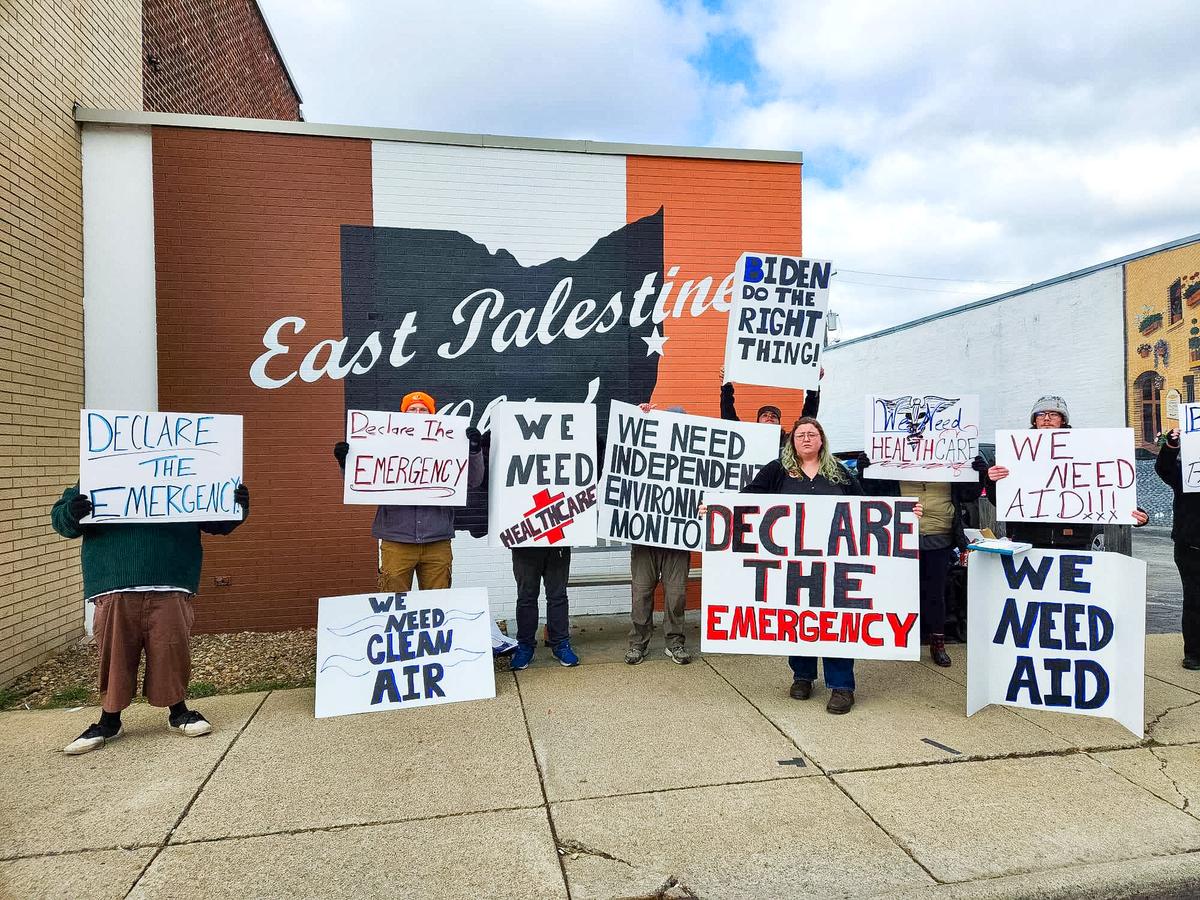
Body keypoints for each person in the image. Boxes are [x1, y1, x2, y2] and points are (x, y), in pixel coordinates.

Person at [51, 481, 250, 755]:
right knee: (115, 654)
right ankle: (109, 720)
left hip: (170, 578)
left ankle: (178, 711)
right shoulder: (99, 470)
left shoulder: (190, 471)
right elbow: (62, 522)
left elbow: (218, 523)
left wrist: (234, 506)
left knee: (171, 650)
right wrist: (72, 512)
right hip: (115, 580)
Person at [742, 417, 921, 713]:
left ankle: (841, 686)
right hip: (796, 563)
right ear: (792, 441)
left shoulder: (838, 471)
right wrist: (715, 507)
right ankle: (803, 676)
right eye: (800, 435)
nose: (806, 439)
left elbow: (866, 507)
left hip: (836, 564)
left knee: (836, 621)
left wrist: (904, 513)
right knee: (798, 618)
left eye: (812, 434)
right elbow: (748, 498)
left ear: (822, 439)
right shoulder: (777, 470)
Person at [334, 390, 484, 592]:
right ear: (403, 414)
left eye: (423, 409)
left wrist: (474, 450)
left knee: (438, 601)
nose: (417, 413)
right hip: (396, 541)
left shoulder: (448, 445)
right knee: (394, 601)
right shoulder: (383, 443)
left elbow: (475, 480)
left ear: (432, 414)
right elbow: (361, 483)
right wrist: (346, 463)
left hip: (437, 540)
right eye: (412, 409)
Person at [977, 395, 1149, 547]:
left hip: (1073, 540)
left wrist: (1130, 511)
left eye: (1053, 414)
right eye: (1041, 414)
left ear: (1063, 420)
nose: (1046, 419)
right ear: (1034, 421)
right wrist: (992, 480)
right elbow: (998, 500)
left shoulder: (1085, 448)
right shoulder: (1014, 452)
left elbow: (1101, 485)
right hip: (1027, 539)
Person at [857, 456, 973, 667]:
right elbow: (873, 490)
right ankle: (899, 639)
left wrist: (976, 472)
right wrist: (865, 471)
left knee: (936, 593)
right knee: (899, 592)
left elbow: (969, 494)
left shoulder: (950, 458)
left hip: (940, 535)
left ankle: (937, 643)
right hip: (902, 536)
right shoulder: (894, 458)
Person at [625, 403, 694, 666]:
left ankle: (674, 643)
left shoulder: (694, 456)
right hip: (645, 537)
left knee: (676, 595)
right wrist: (638, 417)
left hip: (677, 539)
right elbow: (622, 448)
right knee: (641, 594)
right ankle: (638, 643)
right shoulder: (643, 449)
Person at [1155, 428, 1200, 669]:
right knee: (1194, 601)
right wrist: (1172, 445)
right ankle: (1195, 654)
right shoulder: (1187, 472)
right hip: (1191, 545)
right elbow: (1164, 468)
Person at [508, 546, 579, 670]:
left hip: (557, 546)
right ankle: (525, 646)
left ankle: (561, 645)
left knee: (558, 597)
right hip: (525, 547)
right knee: (526, 598)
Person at [720, 366, 821, 443]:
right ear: (758, 422)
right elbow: (728, 416)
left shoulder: (789, 441)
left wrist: (813, 383)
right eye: (764, 415)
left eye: (774, 416)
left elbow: (808, 416)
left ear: (779, 423)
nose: (769, 417)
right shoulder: (746, 438)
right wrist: (726, 386)